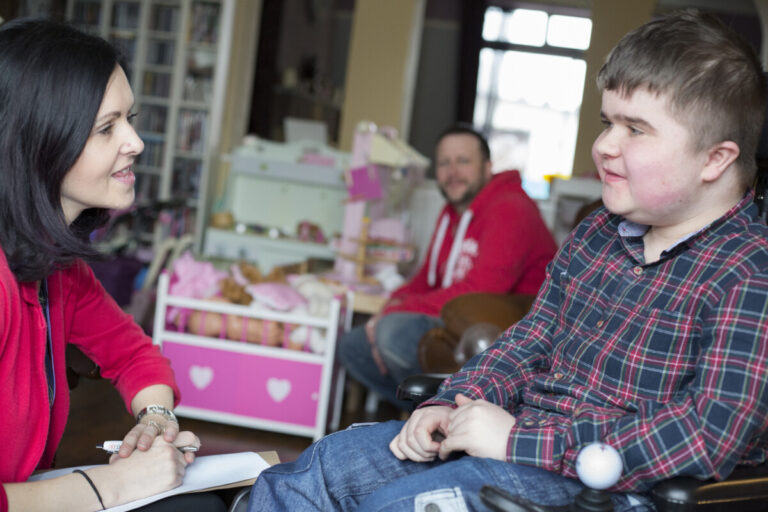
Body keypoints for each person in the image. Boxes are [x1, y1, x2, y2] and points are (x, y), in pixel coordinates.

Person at [248, 10, 768, 511]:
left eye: (635, 129)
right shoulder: (598, 234)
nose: (605, 145)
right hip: (516, 441)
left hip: (612, 488)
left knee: (401, 506)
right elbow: (532, 338)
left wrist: (523, 439)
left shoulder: (748, 270)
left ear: (715, 158)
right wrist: (454, 399)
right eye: (606, 122)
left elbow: (709, 431)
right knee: (309, 474)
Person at [0, 18, 224, 512]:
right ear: (40, 141)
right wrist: (114, 486)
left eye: (130, 119)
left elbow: (135, 355)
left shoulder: (54, 268)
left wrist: (156, 418)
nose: (136, 143)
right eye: (107, 127)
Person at [338, 124, 557, 407]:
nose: (453, 171)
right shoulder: (451, 213)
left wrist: (393, 313)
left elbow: (479, 292)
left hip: (503, 329)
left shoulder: (511, 208)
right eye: (444, 163)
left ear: (487, 167)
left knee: (391, 333)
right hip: (461, 318)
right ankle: (431, 417)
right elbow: (427, 279)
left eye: (463, 161)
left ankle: (445, 415)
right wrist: (390, 304)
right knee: (352, 346)